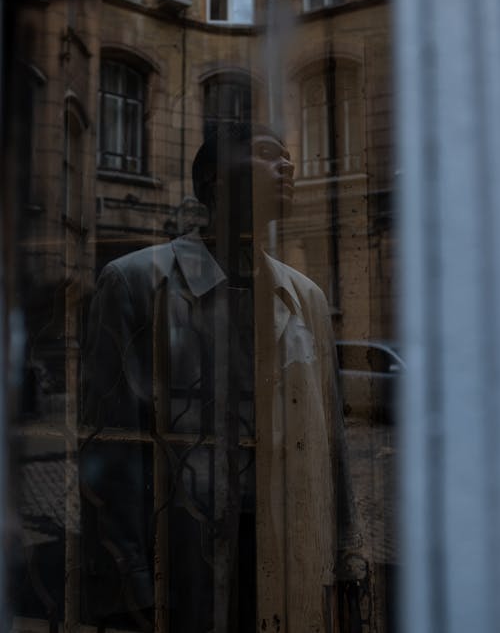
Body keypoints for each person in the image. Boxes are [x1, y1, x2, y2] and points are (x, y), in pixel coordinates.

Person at [80, 122, 358, 633]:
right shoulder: (137, 281)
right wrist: (131, 580)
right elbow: (111, 445)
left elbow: (330, 440)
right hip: (183, 545)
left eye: (288, 156)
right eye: (268, 155)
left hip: (287, 540)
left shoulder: (307, 298)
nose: (288, 167)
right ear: (214, 181)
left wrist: (345, 553)